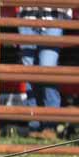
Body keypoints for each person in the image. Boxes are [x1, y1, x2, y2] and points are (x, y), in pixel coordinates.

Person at [18, 6, 73, 140]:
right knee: (29, 72)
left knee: (47, 70)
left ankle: (50, 126)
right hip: (27, 14)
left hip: (54, 13)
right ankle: (35, 127)